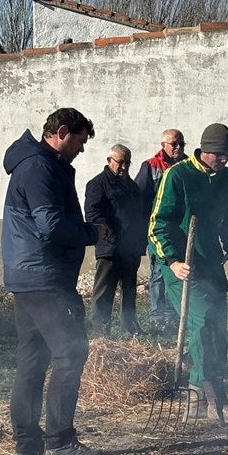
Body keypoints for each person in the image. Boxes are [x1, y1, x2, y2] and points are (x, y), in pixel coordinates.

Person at [2, 107, 108, 455]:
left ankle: (28, 443)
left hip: (28, 275)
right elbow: (51, 225)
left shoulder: (37, 165)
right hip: (44, 276)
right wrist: (93, 234)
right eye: (79, 141)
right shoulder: (39, 167)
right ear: (62, 132)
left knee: (33, 359)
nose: (81, 149)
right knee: (71, 353)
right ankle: (60, 443)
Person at [149, 123, 228, 422]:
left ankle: (202, 398)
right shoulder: (177, 176)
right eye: (221, 155)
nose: (225, 160)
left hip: (209, 262)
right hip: (181, 266)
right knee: (202, 322)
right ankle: (214, 403)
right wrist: (173, 261)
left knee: (217, 325)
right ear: (206, 151)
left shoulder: (227, 180)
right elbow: (157, 223)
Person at [84, 144, 147, 336]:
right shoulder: (97, 184)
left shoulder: (132, 186)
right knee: (105, 290)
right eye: (120, 162)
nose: (124, 167)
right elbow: (93, 214)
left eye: (128, 163)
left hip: (130, 248)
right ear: (109, 160)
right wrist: (111, 235)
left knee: (129, 290)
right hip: (110, 248)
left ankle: (129, 327)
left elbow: (139, 214)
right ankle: (101, 331)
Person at [135, 129, 186, 331]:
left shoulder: (186, 165)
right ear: (163, 144)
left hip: (179, 230)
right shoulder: (150, 166)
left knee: (176, 272)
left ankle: (173, 314)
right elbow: (140, 197)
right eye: (174, 144)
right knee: (158, 271)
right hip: (157, 229)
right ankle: (158, 315)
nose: (178, 148)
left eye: (181, 143)